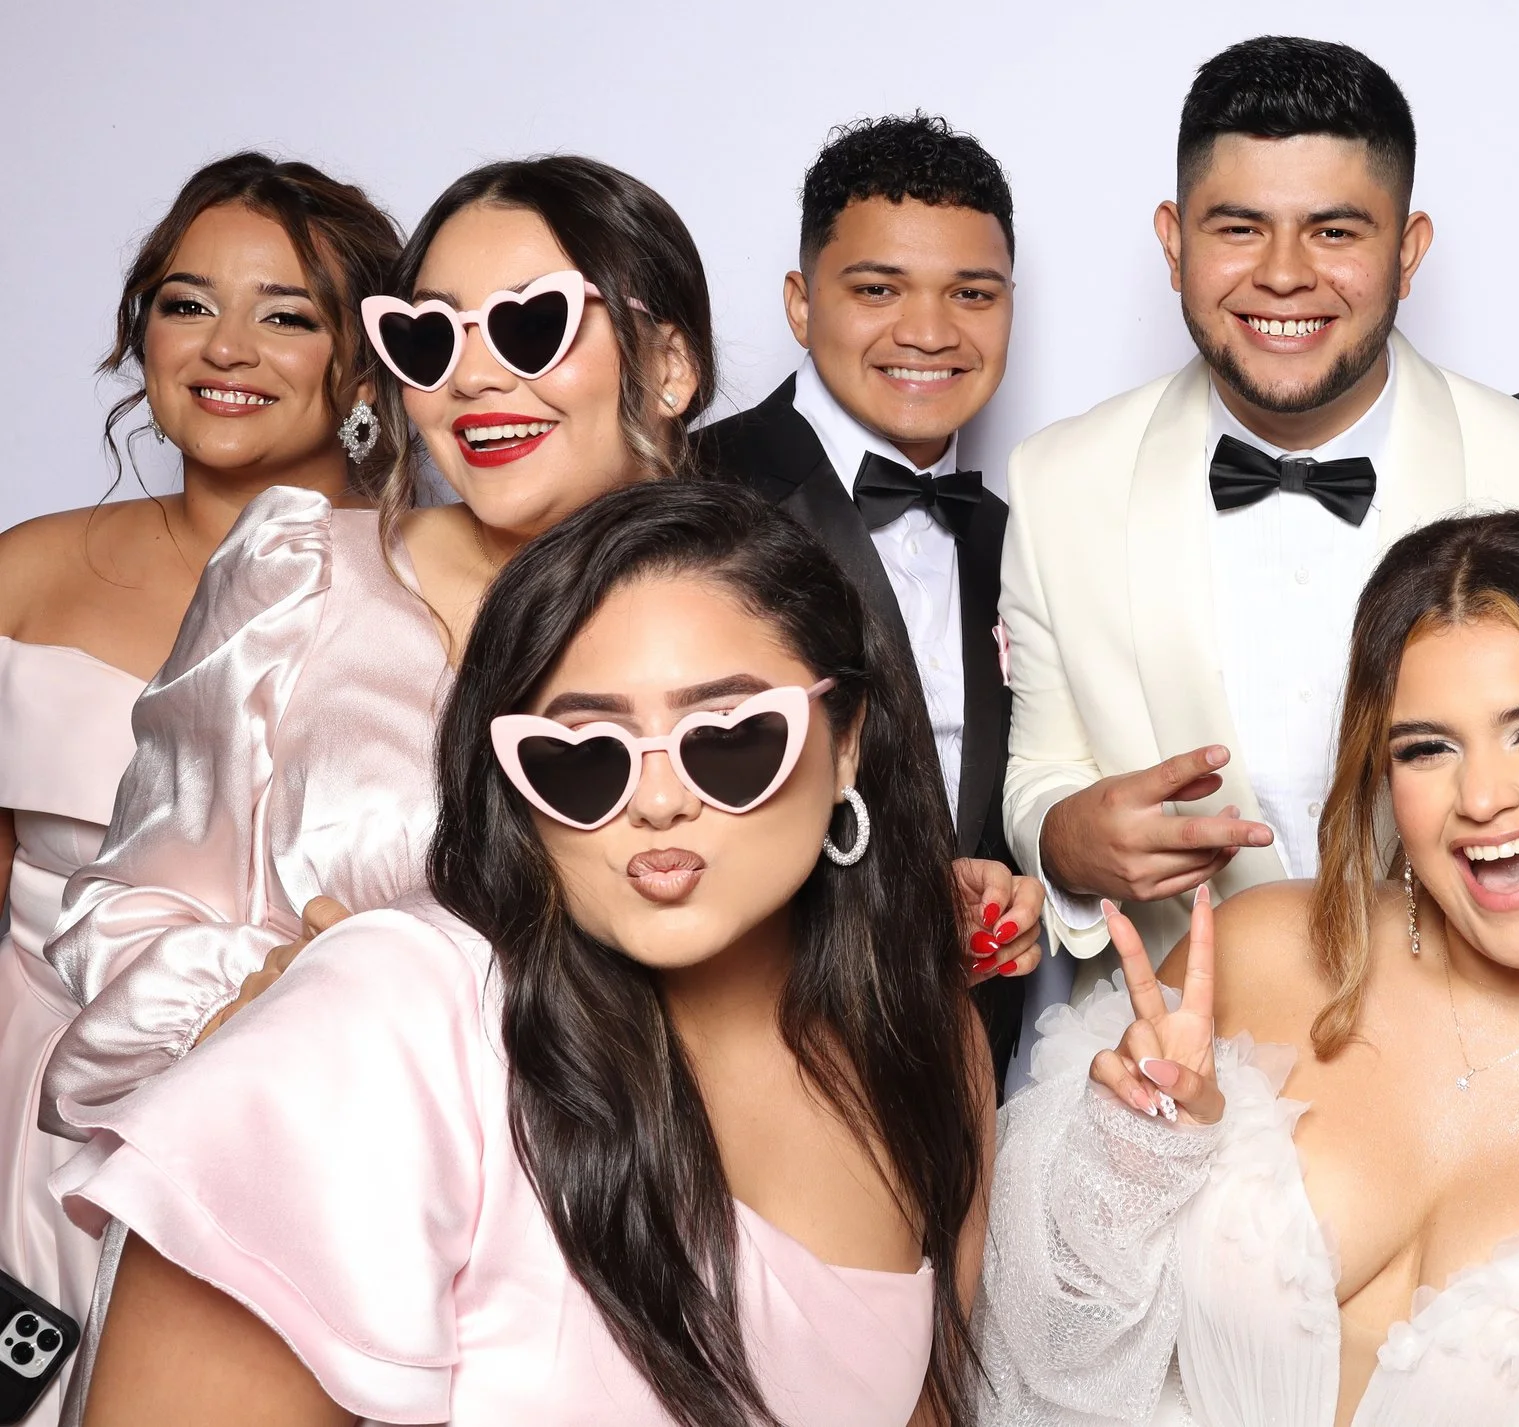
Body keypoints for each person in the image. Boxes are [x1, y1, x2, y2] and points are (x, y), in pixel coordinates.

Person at [56, 479, 992, 1426]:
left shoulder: (924, 1036)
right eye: (584, 754)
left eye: (729, 739)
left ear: (845, 745)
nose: (659, 802)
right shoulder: (390, 1024)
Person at [979, 509, 1519, 1426]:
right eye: (1426, 748)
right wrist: (1134, 1161)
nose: (1482, 797)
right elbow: (1040, 1361)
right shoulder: (1253, 957)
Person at [42, 154, 714, 1138]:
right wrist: (248, 997)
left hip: (620, 1211)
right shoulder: (299, 574)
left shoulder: (757, 626)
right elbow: (128, 907)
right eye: (430, 337)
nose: (475, 377)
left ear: (668, 366)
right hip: (307, 1190)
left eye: (534, 325)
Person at [1002, 35, 1519, 980]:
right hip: (1164, 1040)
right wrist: (1065, 838)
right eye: (1239, 227)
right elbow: (1040, 768)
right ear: (1173, 244)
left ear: (1409, 252)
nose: (1284, 274)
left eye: (1335, 231)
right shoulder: (1056, 482)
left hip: (1475, 1043)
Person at [0, 153, 398, 1410]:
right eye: (186, 302)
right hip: (30, 1112)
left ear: (364, 361)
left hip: (302, 1122)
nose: (229, 347)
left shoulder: (438, 592)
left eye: (288, 313)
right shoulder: (25, 569)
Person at [701, 114, 1041, 1084]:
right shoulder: (697, 493)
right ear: (802, 305)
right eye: (878, 289)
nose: (929, 332)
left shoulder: (1020, 534)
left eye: (971, 294)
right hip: (754, 1049)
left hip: (973, 1064)